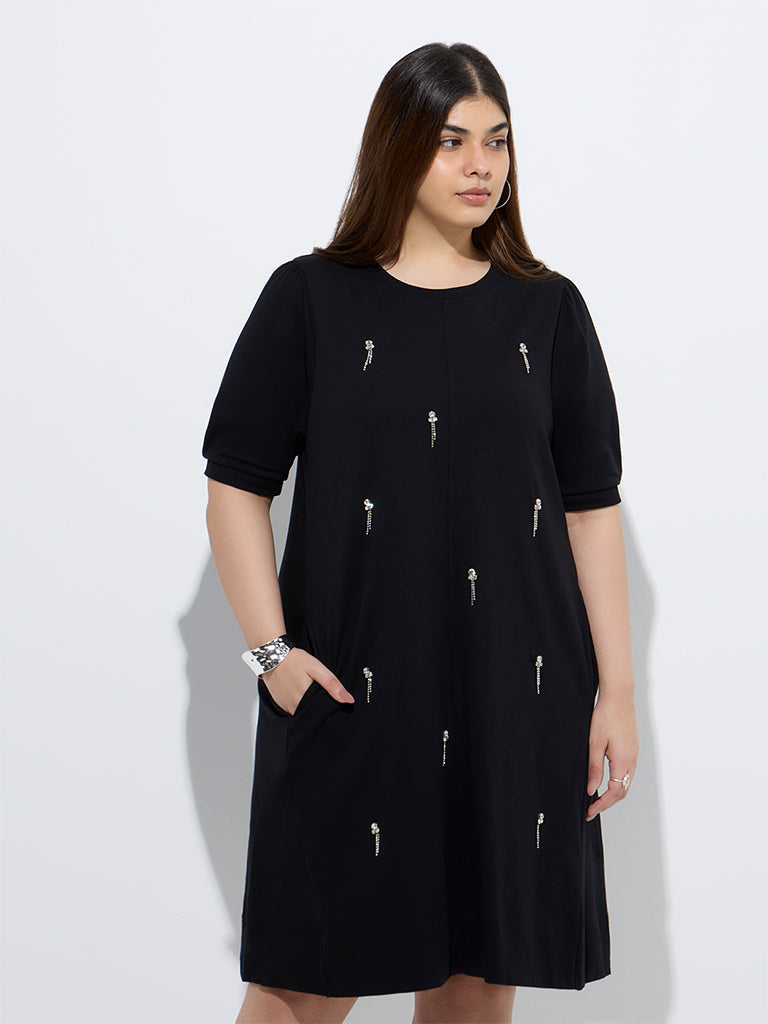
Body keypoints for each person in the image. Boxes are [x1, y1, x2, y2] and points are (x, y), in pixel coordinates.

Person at [202, 40, 639, 1024]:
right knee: (302, 982)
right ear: (398, 147)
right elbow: (235, 485)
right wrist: (272, 654)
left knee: (478, 976)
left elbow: (590, 507)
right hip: (351, 689)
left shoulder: (549, 310)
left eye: (498, 141)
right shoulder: (309, 298)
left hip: (517, 688)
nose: (482, 166)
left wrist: (615, 691)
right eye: (451, 142)